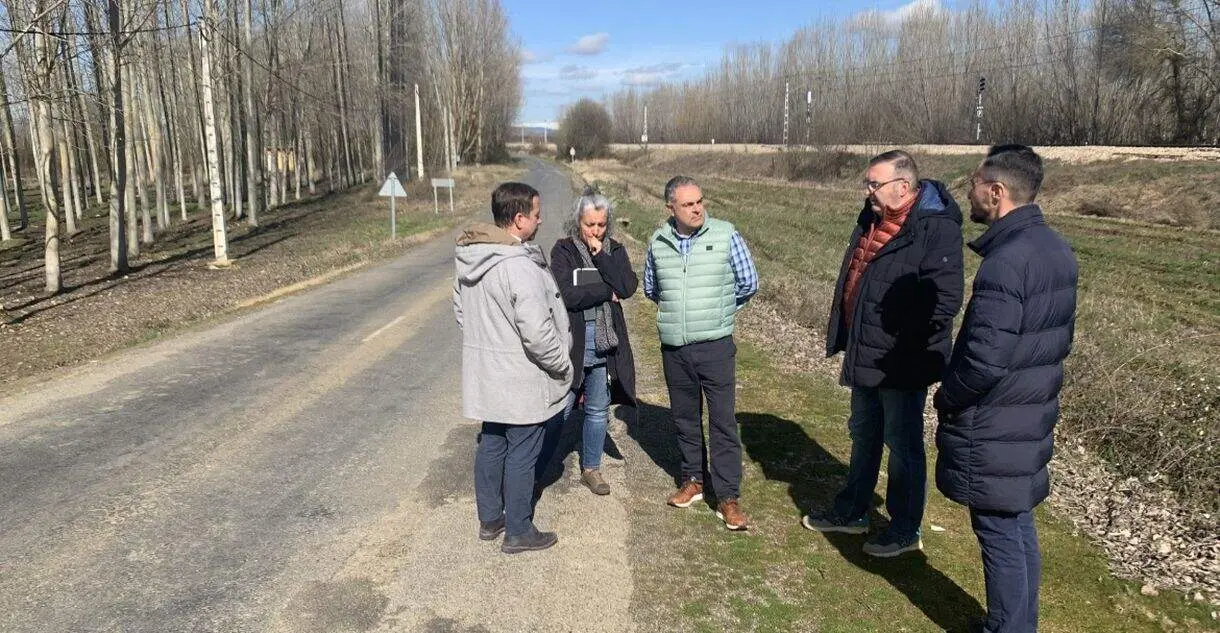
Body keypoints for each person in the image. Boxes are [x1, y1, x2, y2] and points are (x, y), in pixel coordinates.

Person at [934, 145, 1078, 633]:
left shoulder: (1006, 262)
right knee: (1015, 523)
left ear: (996, 192)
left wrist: (947, 397)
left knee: (997, 530)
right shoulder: (1055, 248)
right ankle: (1018, 625)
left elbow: (984, 360)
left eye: (974, 184)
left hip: (995, 419)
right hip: (1028, 411)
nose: (968, 192)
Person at [802, 150, 964, 558]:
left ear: (903, 187)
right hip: (866, 350)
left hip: (900, 361)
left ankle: (905, 529)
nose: (867, 191)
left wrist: (902, 344)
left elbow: (944, 301)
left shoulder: (935, 228)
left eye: (874, 184)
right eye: (867, 183)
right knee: (864, 433)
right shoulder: (872, 217)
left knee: (902, 444)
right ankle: (853, 511)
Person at [453, 181, 573, 554]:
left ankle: (491, 519)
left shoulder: (471, 258)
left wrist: (491, 345)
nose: (541, 220)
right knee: (523, 449)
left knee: (492, 441)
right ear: (519, 219)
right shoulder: (518, 266)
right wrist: (562, 364)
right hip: (521, 377)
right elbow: (538, 333)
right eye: (537, 214)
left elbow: (461, 312)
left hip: (488, 374)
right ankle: (518, 530)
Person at [643, 175, 758, 531]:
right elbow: (652, 288)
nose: (697, 209)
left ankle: (727, 497)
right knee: (685, 419)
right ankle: (693, 480)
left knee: (722, 421)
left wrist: (719, 312)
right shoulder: (658, 241)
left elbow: (749, 282)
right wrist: (680, 314)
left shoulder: (725, 234)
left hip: (715, 346)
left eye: (700, 201)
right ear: (671, 208)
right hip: (675, 347)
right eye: (688, 204)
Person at [547, 188, 638, 495]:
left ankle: (591, 468)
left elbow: (627, 286)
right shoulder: (564, 250)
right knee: (562, 407)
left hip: (606, 342)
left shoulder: (615, 250)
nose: (596, 231)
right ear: (578, 222)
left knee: (598, 408)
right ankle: (537, 465)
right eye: (590, 225)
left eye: (601, 224)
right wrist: (605, 290)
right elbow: (567, 294)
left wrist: (600, 257)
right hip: (575, 341)